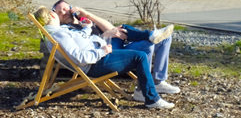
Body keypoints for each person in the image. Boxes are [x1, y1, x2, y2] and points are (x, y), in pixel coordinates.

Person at [33, 6, 175, 110]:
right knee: (140, 56)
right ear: (52, 17)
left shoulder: (58, 32)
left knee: (137, 50)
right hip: (96, 63)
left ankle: (150, 37)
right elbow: (79, 57)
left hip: (98, 55)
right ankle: (152, 99)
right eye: (56, 13)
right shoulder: (59, 35)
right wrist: (101, 51)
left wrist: (87, 28)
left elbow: (80, 42)